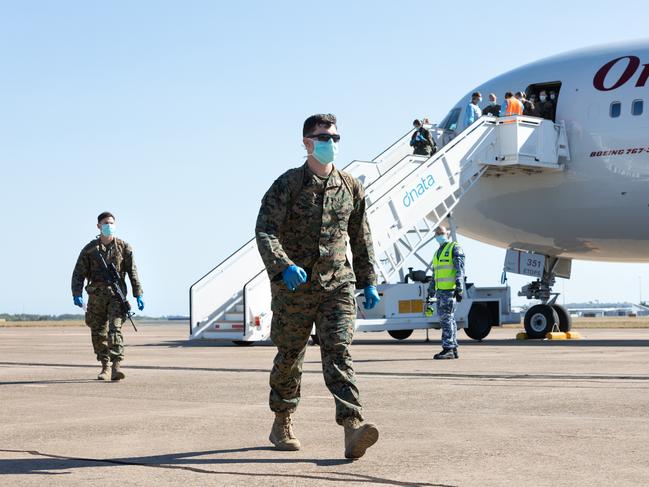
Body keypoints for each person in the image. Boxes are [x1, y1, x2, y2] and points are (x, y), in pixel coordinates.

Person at [255, 113, 380, 459]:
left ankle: (353, 426)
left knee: (338, 350)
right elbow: (265, 230)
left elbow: (361, 237)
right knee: (290, 356)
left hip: (337, 285)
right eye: (325, 138)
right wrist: (284, 266)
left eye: (335, 138)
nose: (331, 144)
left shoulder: (351, 187)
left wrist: (368, 281)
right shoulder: (288, 185)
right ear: (307, 142)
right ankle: (282, 420)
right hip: (294, 289)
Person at [71, 212, 144, 381]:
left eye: (111, 223)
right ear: (98, 226)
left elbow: (133, 272)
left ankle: (116, 367)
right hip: (96, 297)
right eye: (105, 223)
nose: (108, 226)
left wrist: (138, 293)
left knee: (115, 330)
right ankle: (105, 366)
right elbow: (78, 273)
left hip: (116, 297)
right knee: (98, 332)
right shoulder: (90, 249)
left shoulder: (124, 247)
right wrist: (77, 293)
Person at [427, 226, 465, 360]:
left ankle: (448, 348)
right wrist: (430, 291)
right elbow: (435, 274)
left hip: (450, 291)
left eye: (441, 233)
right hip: (441, 291)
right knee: (449, 319)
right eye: (437, 233)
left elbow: (460, 269)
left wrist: (459, 288)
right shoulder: (437, 252)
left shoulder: (454, 248)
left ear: (447, 234)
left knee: (446, 319)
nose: (439, 235)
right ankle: (453, 348)